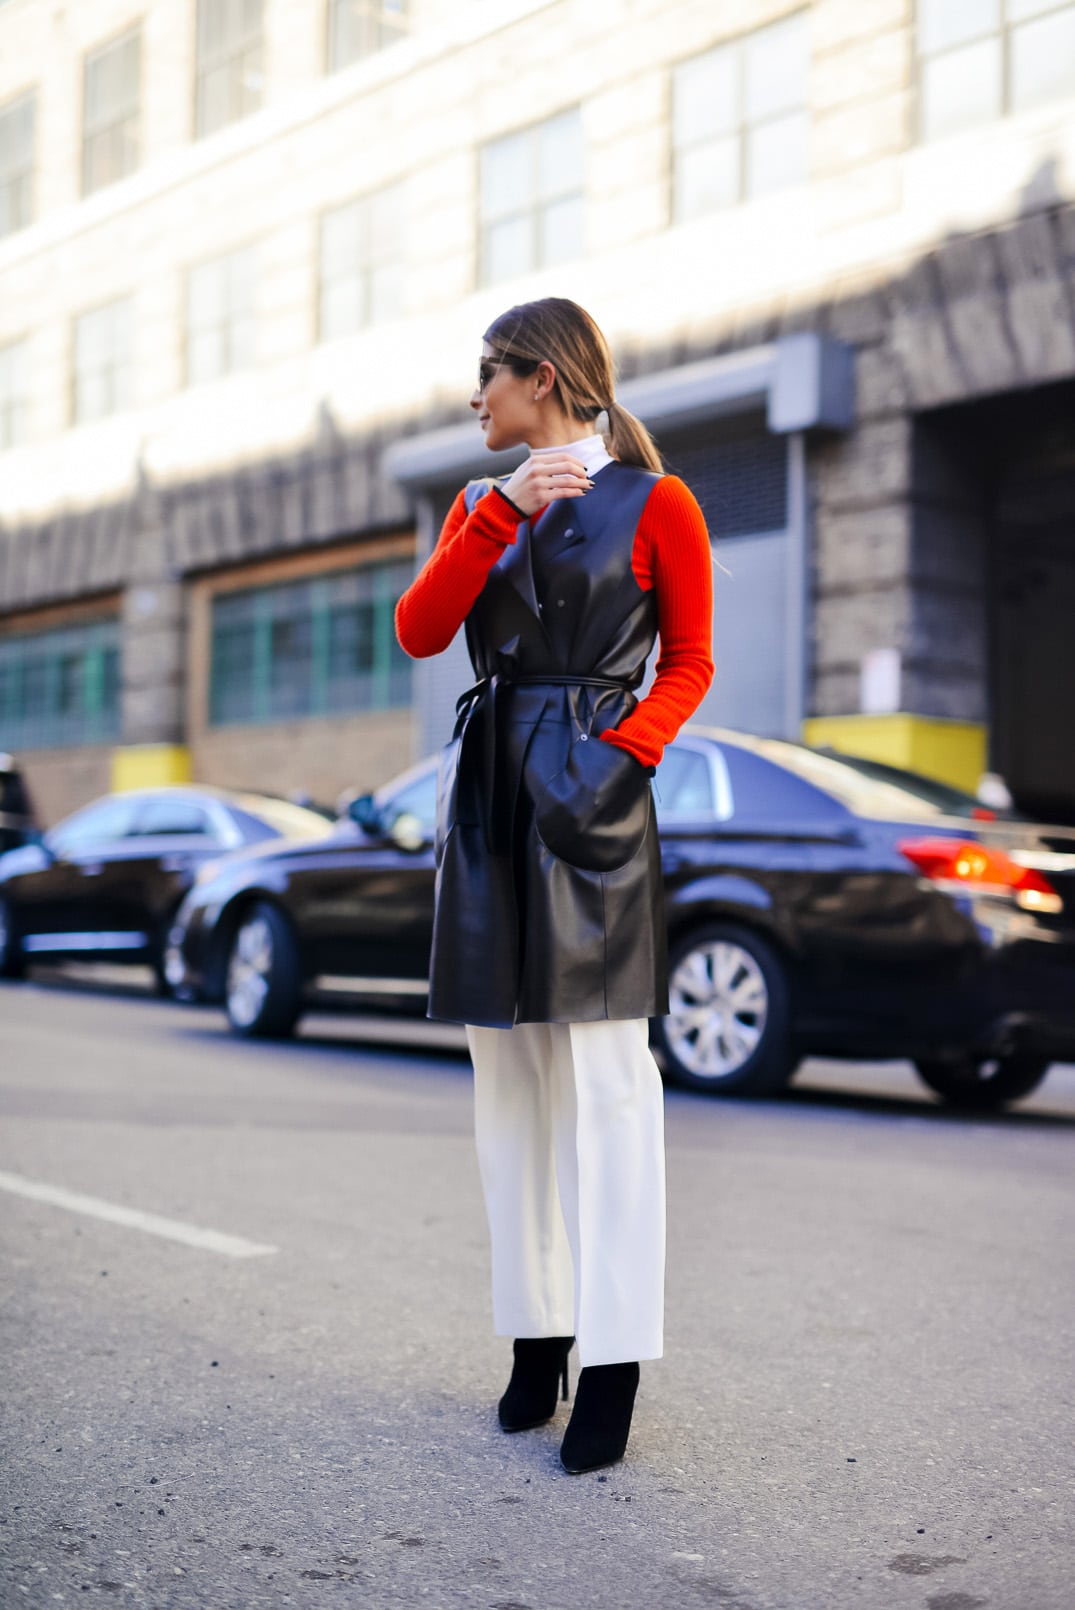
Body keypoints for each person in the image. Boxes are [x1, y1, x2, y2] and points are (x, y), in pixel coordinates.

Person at [395, 297, 714, 1473]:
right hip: (485, 789)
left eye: (485, 376)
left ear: (538, 376)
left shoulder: (657, 501)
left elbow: (690, 660)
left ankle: (616, 1358)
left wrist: (617, 754)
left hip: (589, 792)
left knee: (607, 1079)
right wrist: (497, 518)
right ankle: (538, 1334)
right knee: (506, 1071)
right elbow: (421, 631)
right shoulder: (477, 504)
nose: (473, 399)